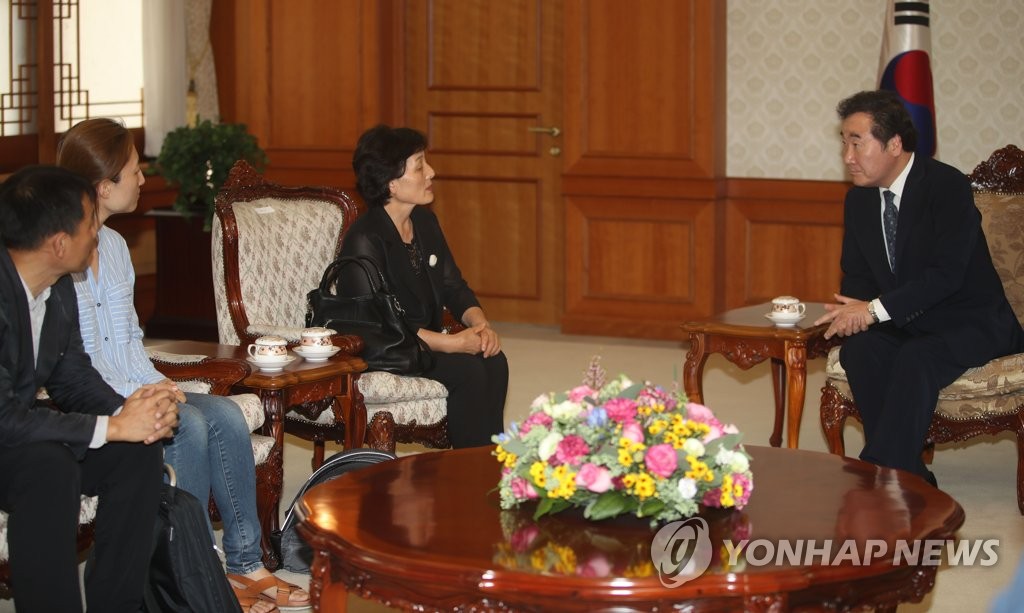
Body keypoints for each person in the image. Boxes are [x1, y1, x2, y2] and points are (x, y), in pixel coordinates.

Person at [56, 118, 309, 612]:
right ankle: (194, 569)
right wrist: (138, 398)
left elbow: (129, 339)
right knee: (187, 424)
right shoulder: (61, 251)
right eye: (135, 171)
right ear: (104, 186)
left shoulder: (115, 246)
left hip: (134, 385)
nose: (143, 179)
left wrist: (158, 383)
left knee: (227, 413)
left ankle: (245, 562)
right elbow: (71, 363)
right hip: (94, 400)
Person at [814, 90, 1024, 485]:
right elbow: (856, 276)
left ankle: (879, 472)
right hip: (907, 320)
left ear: (894, 144)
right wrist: (851, 311)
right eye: (844, 143)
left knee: (917, 357)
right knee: (861, 351)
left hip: (970, 320)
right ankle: (909, 475)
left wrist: (872, 311)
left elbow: (946, 275)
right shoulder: (859, 201)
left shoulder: (946, 186)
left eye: (857, 143)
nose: (847, 157)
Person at [0, 166, 179, 612]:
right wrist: (113, 427)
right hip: (10, 437)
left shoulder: (59, 286)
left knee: (136, 452)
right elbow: (4, 419)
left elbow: (72, 377)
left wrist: (133, 415)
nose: (97, 233)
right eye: (89, 224)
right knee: (50, 465)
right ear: (59, 243)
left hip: (17, 435)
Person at [341, 124, 508, 447]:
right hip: (387, 349)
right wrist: (452, 344)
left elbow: (453, 286)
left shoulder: (425, 222)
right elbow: (381, 326)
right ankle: (465, 470)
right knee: (468, 371)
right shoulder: (365, 239)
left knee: (495, 360)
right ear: (391, 182)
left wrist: (481, 325)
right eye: (419, 166)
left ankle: (489, 465)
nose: (431, 172)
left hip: (423, 345)